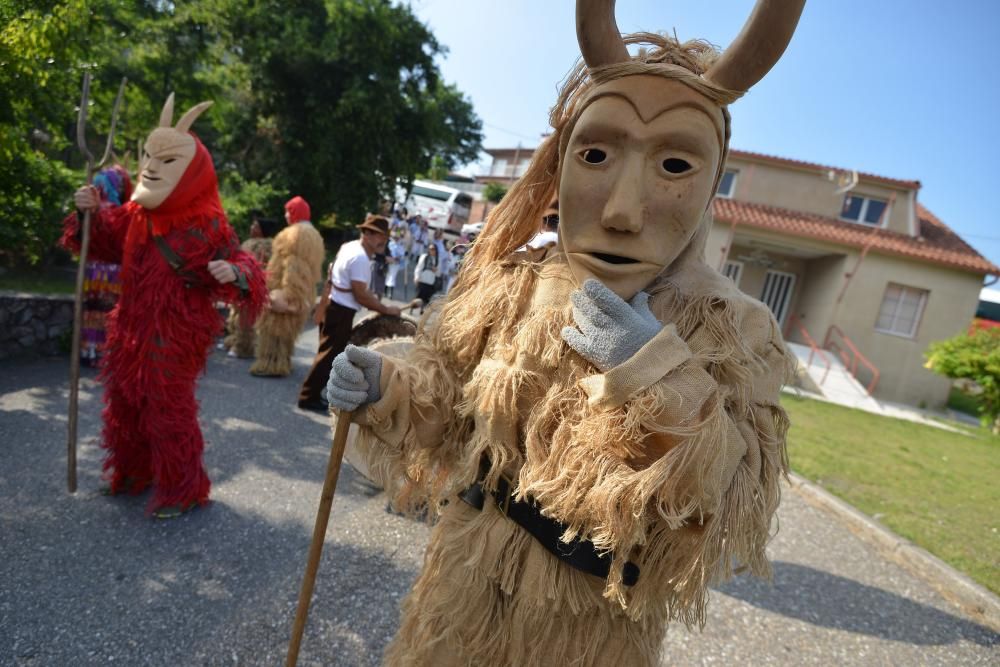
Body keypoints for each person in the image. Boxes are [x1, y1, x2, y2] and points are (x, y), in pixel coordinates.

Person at [325, 1, 802, 663]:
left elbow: (724, 510)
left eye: (673, 165)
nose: (622, 210)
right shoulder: (514, 283)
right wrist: (385, 382)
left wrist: (655, 373)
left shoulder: (731, 327)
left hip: (595, 632)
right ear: (564, 162)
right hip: (460, 601)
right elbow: (450, 404)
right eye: (598, 153)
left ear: (710, 182)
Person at [63, 94, 267, 518]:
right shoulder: (137, 215)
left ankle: (183, 489)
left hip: (174, 332)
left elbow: (245, 263)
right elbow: (100, 238)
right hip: (130, 328)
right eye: (149, 157)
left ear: (193, 171)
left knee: (165, 409)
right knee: (124, 401)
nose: (152, 167)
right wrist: (87, 213)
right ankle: (134, 473)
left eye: (167, 160)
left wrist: (235, 271)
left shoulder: (206, 222)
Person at [297, 214, 400, 412]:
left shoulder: (350, 246)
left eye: (385, 238)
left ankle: (312, 393)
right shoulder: (360, 257)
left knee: (327, 353)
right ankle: (307, 396)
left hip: (333, 304)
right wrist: (387, 309)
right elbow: (361, 294)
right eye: (380, 236)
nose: (383, 242)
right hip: (341, 310)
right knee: (328, 355)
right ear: (367, 234)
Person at [249, 196, 326, 377]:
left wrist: (288, 293)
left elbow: (294, 265)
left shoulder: (295, 234)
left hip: (283, 289)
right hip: (300, 291)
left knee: (274, 330)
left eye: (287, 211)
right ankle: (282, 361)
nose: (285, 215)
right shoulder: (313, 235)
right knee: (286, 332)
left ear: (294, 212)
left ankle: (270, 365)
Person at [80, 165, 131, 367]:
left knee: (94, 311)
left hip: (93, 272)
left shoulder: (94, 211)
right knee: (109, 312)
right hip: (113, 274)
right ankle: (107, 354)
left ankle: (90, 352)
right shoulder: (120, 213)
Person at [222, 214, 279, 358]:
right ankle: (233, 340)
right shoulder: (250, 242)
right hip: (241, 282)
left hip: (252, 285)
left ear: (262, 230)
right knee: (235, 314)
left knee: (247, 317)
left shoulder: (265, 246)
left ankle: (242, 347)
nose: (252, 228)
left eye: (256, 226)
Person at [412, 241, 440, 313]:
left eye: (433, 249)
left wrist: (436, 270)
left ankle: (422, 310)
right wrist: (416, 277)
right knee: (418, 296)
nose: (431, 250)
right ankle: (412, 309)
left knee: (426, 298)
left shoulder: (437, 259)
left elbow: (438, 273)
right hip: (422, 279)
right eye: (430, 249)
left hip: (430, 281)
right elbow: (419, 267)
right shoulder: (424, 257)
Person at [384, 228, 407, 299]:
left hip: (396, 263)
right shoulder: (389, 243)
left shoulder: (401, 245)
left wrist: (400, 257)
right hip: (388, 262)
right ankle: (385, 290)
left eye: (398, 237)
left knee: (392, 277)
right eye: (395, 237)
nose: (396, 238)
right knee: (387, 275)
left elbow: (402, 254)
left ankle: (390, 293)